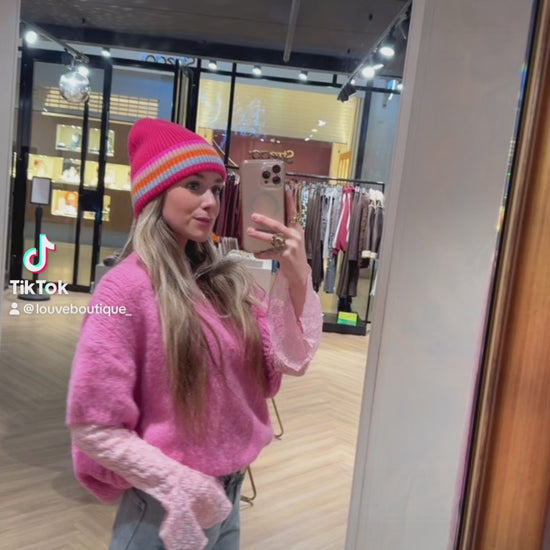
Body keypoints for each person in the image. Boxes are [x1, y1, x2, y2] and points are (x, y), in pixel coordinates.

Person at [66, 118, 323, 550]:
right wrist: (180, 484)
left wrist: (296, 276)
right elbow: (93, 424)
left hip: (228, 493)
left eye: (216, 189)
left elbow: (290, 361)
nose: (210, 202)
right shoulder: (123, 288)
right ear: (156, 193)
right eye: (193, 186)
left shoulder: (223, 283)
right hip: (165, 505)